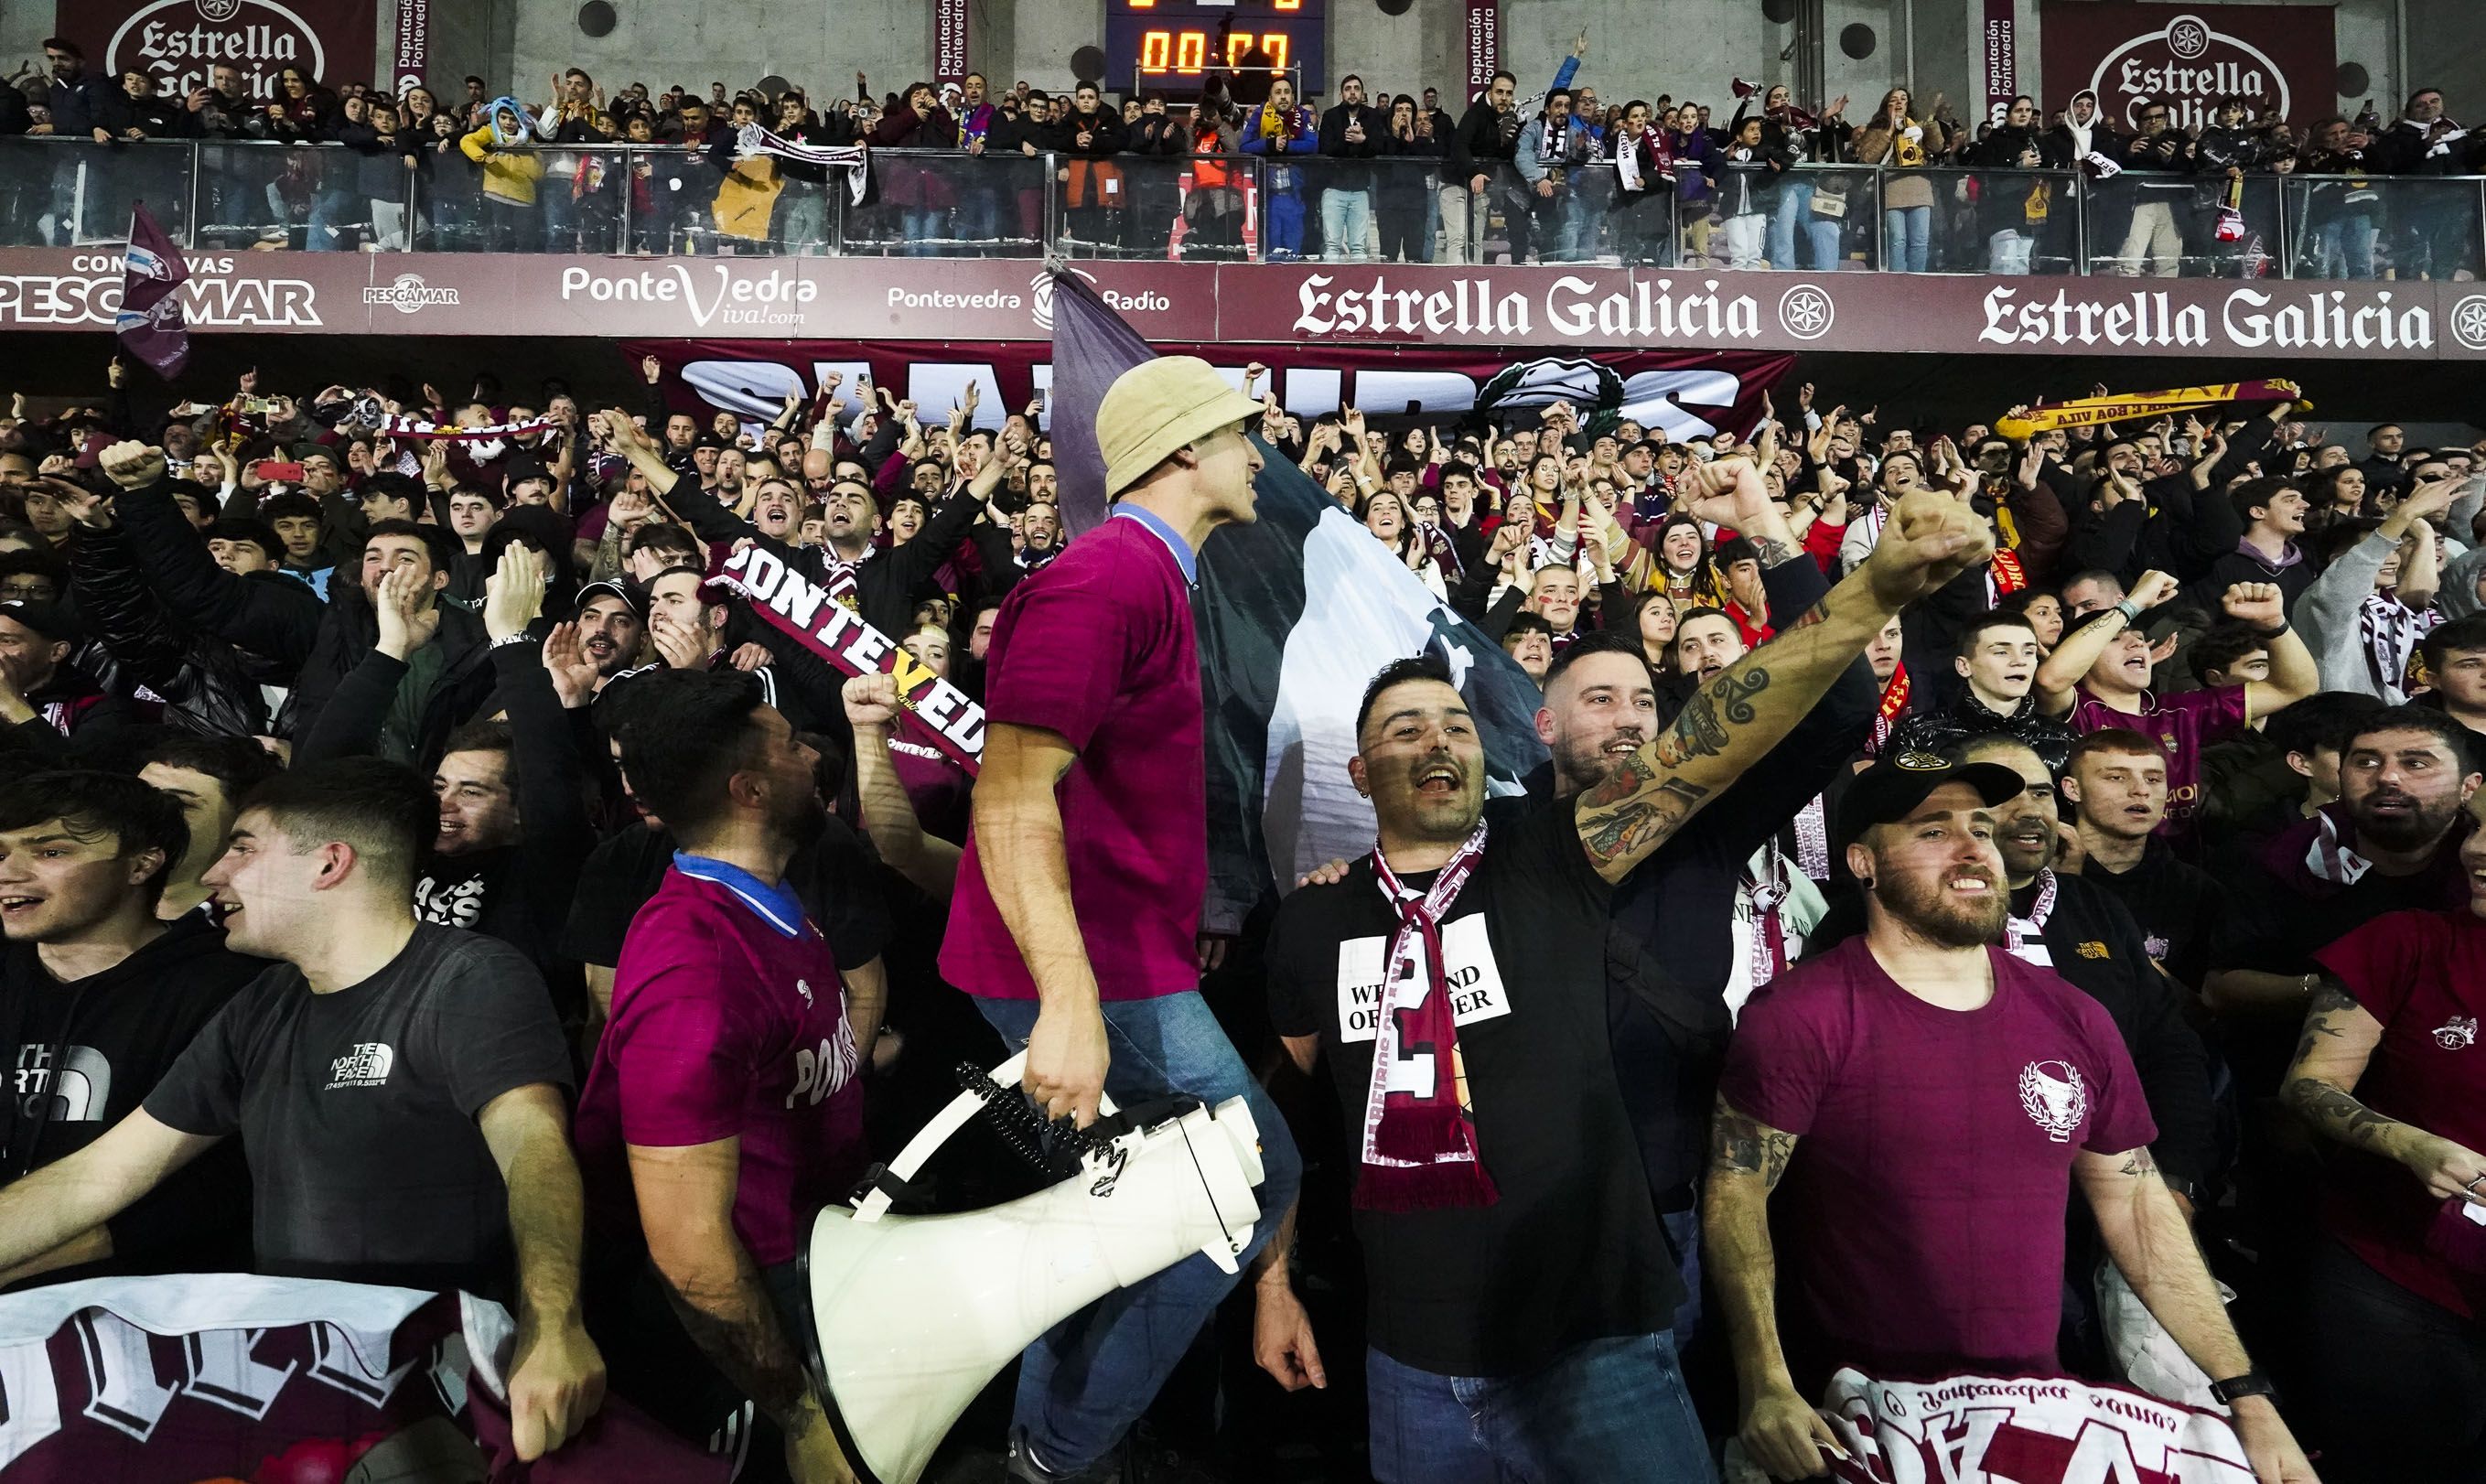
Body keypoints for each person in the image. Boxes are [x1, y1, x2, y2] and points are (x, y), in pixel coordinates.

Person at [1255, 479, 1996, 1480]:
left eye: (1457, 726)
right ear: (1357, 772)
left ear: (1491, 755)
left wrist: (1867, 592)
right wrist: (1271, 1277)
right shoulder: (1312, 917)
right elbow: (1284, 1115)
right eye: (1404, 729)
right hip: (1408, 1360)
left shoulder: (1555, 855)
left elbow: (1714, 736)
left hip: (1595, 1343)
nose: (1436, 740)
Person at [1708, 752, 2316, 1483]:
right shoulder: (1802, 1017)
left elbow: (2135, 1206)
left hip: (2031, 1413)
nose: (1972, 850)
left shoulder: (2072, 1016)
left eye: (1981, 829)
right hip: (1855, 1420)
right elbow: (1735, 1196)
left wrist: (2243, 1393)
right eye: (1932, 831)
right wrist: (1763, 1383)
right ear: (1864, 863)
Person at [0, 759, 603, 1459]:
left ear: (328, 864)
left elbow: (537, 1153)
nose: (217, 873)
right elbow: (99, 1176)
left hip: (446, 1379)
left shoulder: (470, 977)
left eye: (245, 848)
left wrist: (553, 1327)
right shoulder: (262, 1003)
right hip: (312, 1377)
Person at [937, 357, 1300, 1482]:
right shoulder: (1108, 578)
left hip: (1125, 955)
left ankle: (1042, 1430)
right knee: (1251, 1179)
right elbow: (1006, 797)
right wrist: (1068, 999)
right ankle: (1058, 1449)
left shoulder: (1154, 575)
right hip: (1087, 970)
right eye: (1242, 431)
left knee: (1127, 1211)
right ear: (1185, 448)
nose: (1258, 450)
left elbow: (1100, 788)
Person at [576, 668, 880, 1483]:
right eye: (790, 747)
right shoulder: (697, 974)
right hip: (740, 1324)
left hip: (807, 1261)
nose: (812, 756)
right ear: (749, 790)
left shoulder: (765, 901)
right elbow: (690, 1250)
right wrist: (801, 1411)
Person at [2282, 816, 2486, 1482]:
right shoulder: (2405, 941)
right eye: (2477, 829)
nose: (2476, 850)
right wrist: (2409, 1145)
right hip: (2395, 1264)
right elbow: (2309, 1086)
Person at [0, 772, 261, 1286]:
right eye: (1, 852)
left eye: (50, 852)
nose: (9, 872)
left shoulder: (227, 991)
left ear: (142, 864)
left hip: (142, 1314)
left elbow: (231, 1183)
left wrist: (31, 1261)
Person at [2036, 572, 2318, 840]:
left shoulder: (2181, 712)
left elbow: (2295, 687)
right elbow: (2050, 679)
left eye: (2137, 637)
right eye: (2114, 639)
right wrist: (2131, 604)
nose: (2135, 643)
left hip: (2177, 869)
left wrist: (2274, 625)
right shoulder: (2076, 709)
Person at [2062, 729, 2225, 991]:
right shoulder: (2037, 874)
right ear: (2073, 789)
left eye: (2153, 779)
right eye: (2116, 777)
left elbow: (2207, 1005)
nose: (2140, 790)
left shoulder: (2195, 890)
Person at [1884, 610, 2077, 771]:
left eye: (2028, 652)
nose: (2019, 661)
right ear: (1964, 666)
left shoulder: (2064, 739)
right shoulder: (1919, 732)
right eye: (2001, 652)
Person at [1444, 71, 1519, 264]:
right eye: (1499, 92)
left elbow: (1504, 155)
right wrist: (1474, 172)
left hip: (1480, 187)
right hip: (1455, 184)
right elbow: (1458, 145)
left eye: (1509, 93)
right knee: (1458, 239)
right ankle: (1455, 284)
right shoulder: (1475, 114)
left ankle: (1473, 283)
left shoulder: (1507, 118)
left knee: (1477, 240)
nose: (1504, 97)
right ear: (1490, 92)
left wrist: (1509, 138)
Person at [1316, 74, 1383, 263]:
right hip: (1333, 189)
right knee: (1331, 246)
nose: (1352, 92)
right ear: (1341, 94)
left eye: (1356, 88)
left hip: (1360, 190)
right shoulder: (1331, 116)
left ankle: (1358, 288)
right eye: (1348, 89)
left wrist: (1363, 140)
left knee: (1359, 247)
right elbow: (1325, 148)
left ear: (1362, 93)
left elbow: (1379, 147)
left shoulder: (1372, 116)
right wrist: (1349, 141)